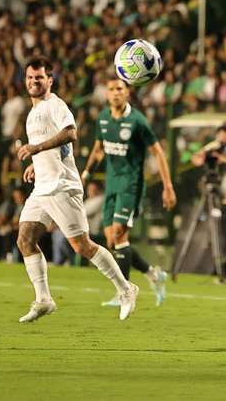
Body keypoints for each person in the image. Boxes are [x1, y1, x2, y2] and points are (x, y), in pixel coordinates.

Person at [15, 58, 139, 322]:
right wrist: (36, 165)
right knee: (25, 239)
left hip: (62, 186)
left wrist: (36, 149)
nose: (34, 82)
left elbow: (71, 134)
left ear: (50, 81)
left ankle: (126, 289)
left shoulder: (55, 105)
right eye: (30, 77)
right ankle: (44, 299)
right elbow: (56, 148)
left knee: (82, 246)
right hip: (42, 187)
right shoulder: (32, 112)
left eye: (39, 78)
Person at [81, 76, 177, 307]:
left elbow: (158, 153)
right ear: (106, 94)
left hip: (131, 186)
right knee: (112, 242)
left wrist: (168, 186)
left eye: (120, 89)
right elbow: (97, 150)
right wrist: (85, 174)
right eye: (111, 89)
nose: (115, 92)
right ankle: (153, 274)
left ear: (128, 93)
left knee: (118, 236)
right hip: (112, 185)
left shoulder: (138, 121)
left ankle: (124, 292)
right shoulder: (103, 118)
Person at [191, 121, 226, 282]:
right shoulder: (216, 145)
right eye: (222, 132)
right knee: (224, 236)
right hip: (223, 198)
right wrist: (206, 157)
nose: (225, 135)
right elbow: (196, 159)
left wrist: (225, 160)